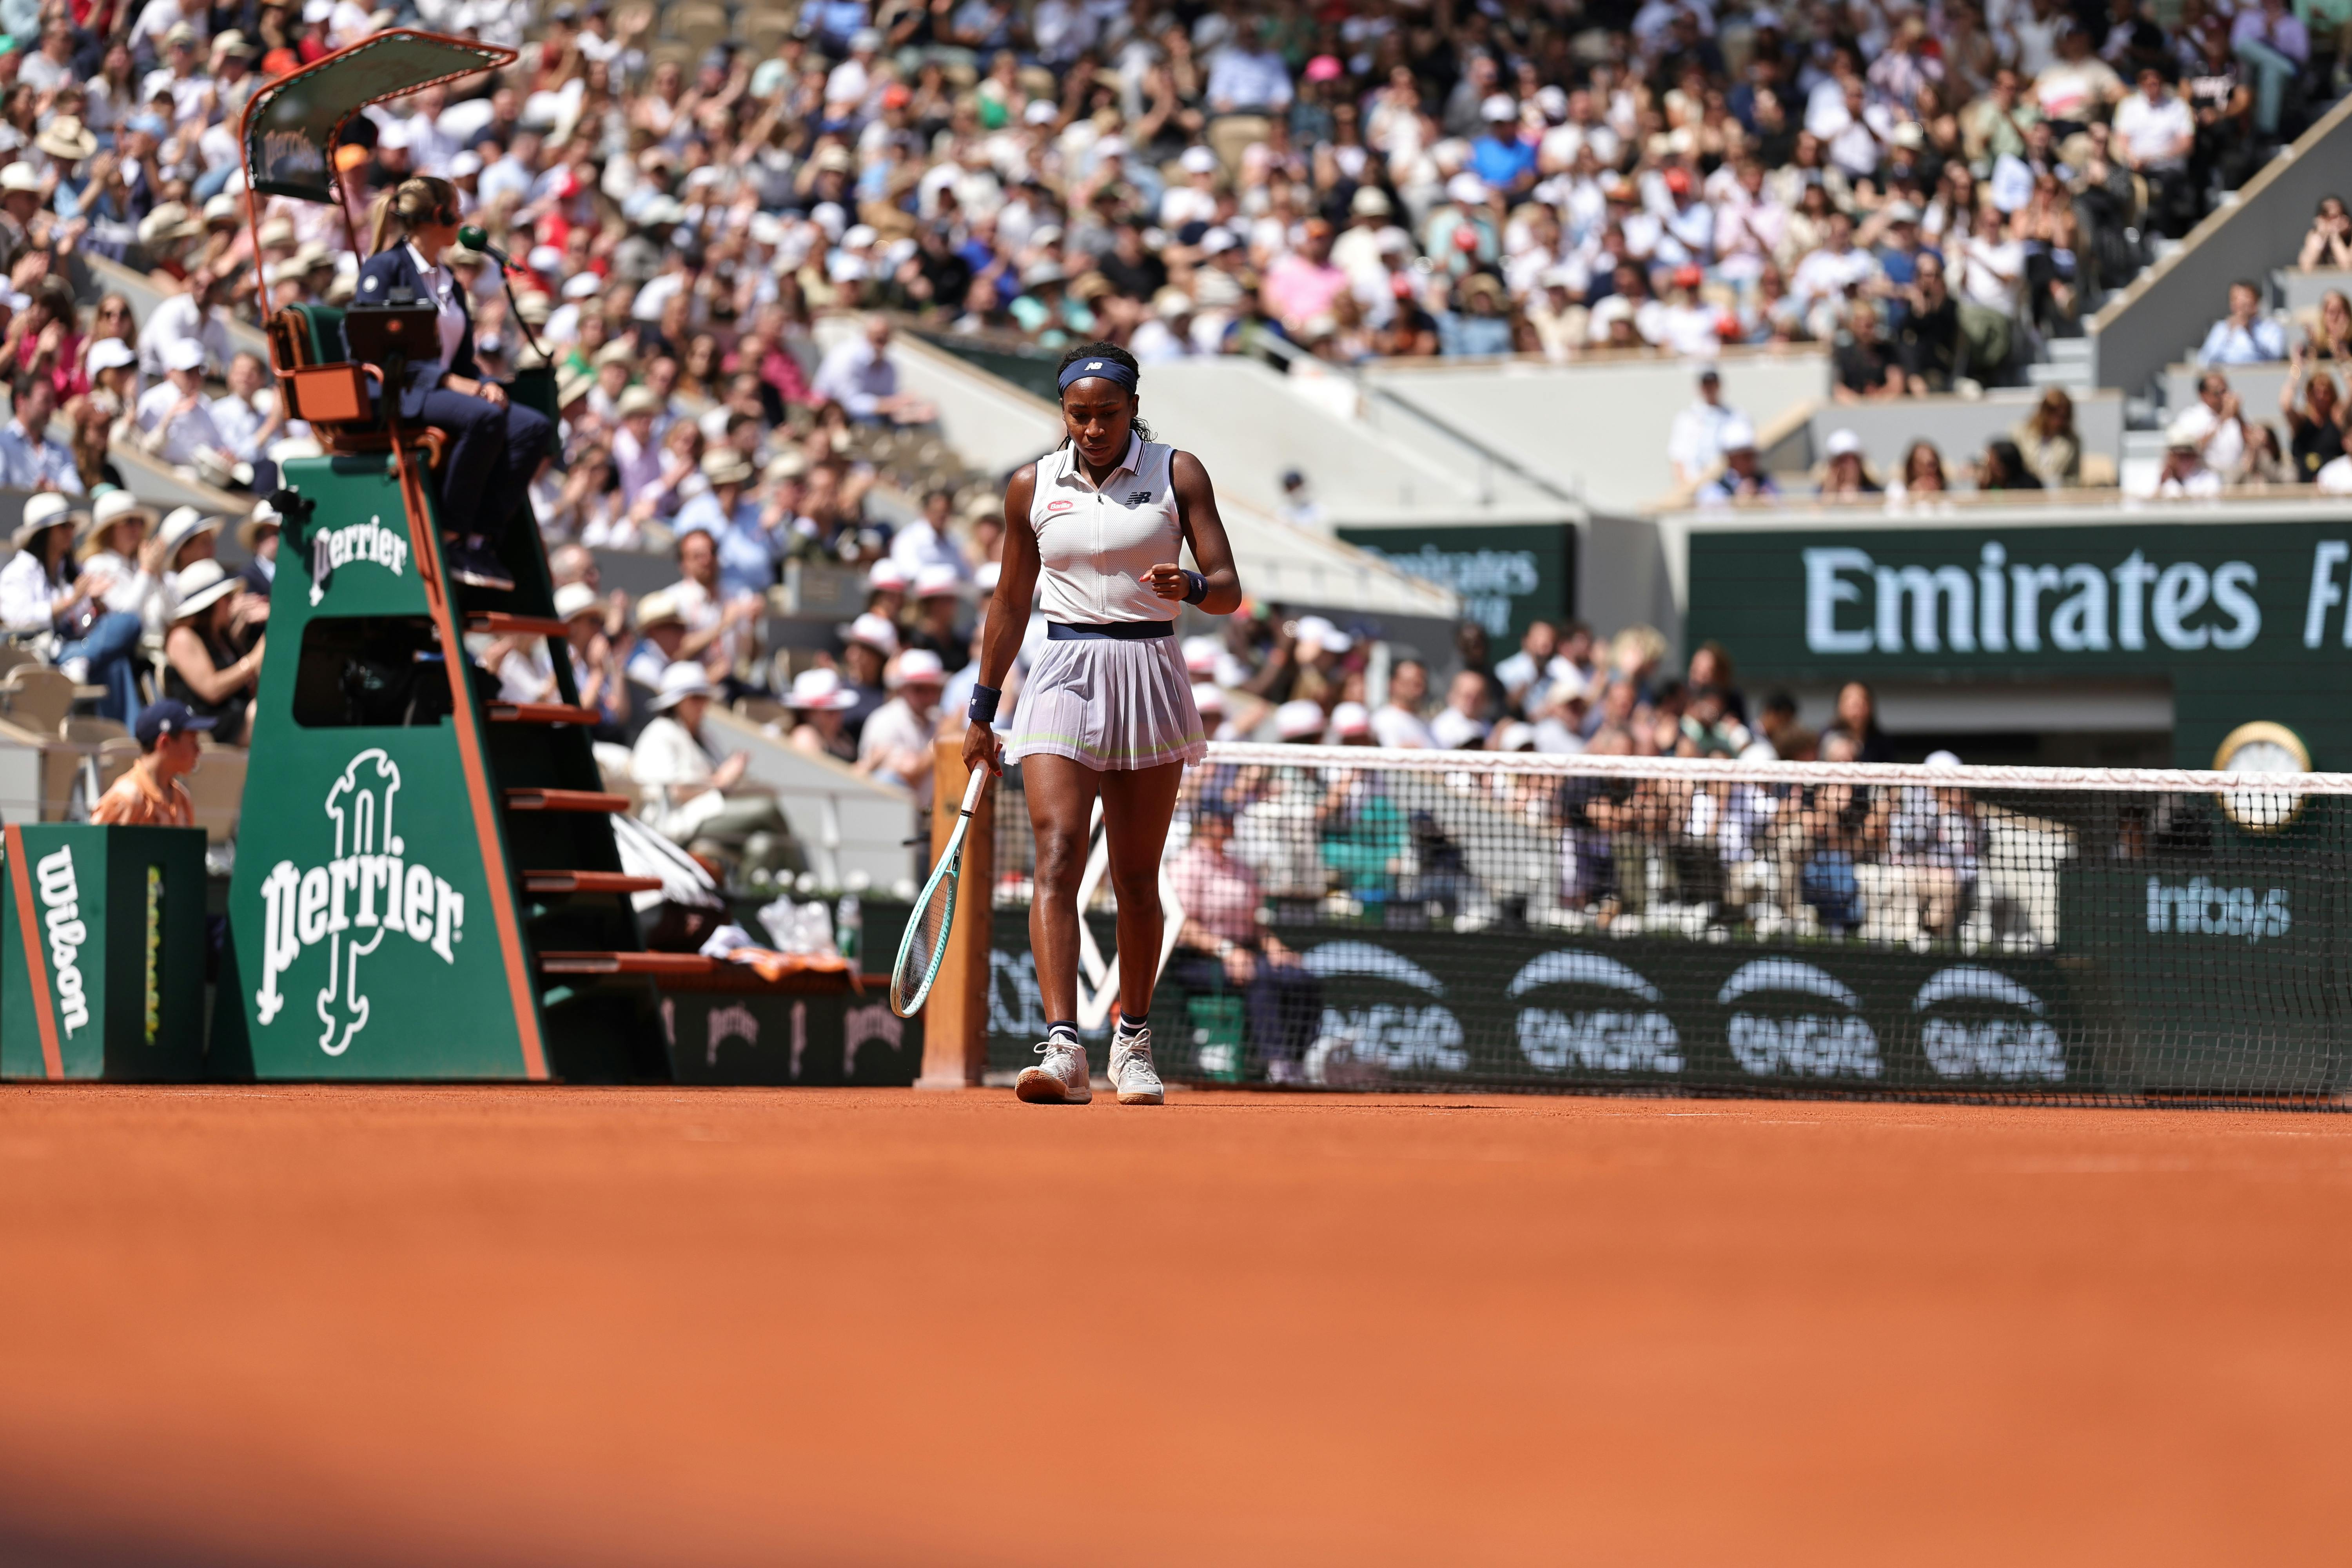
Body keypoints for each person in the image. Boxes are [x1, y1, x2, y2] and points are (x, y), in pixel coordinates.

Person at [962, 341, 1242, 1108]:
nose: (1092, 428)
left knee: (1135, 875)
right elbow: (1011, 602)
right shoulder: (1031, 485)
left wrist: (1185, 582)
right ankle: (1063, 1046)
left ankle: (1133, 1039)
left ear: (1132, 409)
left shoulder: (1177, 472)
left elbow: (1228, 589)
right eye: (1079, 414)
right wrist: (982, 711)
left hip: (1148, 670)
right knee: (1056, 852)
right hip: (1060, 674)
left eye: (1107, 415)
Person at [354, 175, 554, 591]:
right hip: (402, 393)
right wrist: (447, 380)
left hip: (443, 390)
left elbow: (462, 358)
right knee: (483, 418)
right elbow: (370, 347)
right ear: (437, 216)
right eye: (456, 211)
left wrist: (482, 380)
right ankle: (449, 536)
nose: (464, 220)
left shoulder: (447, 281)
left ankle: (480, 539)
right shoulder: (385, 268)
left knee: (532, 427)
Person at [1165, 799, 1323, 1082]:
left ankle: (1301, 1058)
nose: (1229, 826)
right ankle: (1278, 1063)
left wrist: (1276, 948)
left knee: (1301, 978)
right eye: (1222, 820)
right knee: (1260, 978)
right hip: (1197, 960)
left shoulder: (1241, 867)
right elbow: (1182, 926)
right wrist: (1227, 951)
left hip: (1245, 951)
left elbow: (1255, 925)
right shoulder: (1186, 865)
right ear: (1205, 825)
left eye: (1230, 820)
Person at [628, 662, 798, 878]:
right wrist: (720, 781)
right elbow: (676, 791)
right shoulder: (660, 733)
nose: (702, 705)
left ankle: (746, 906)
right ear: (677, 703)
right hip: (678, 823)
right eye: (695, 699)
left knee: (764, 843)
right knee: (767, 809)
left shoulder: (705, 736)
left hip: (706, 814)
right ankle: (807, 889)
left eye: (705, 698)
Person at [0, 493, 144, 722]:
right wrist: (71, 600)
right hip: (44, 652)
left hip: (76, 646)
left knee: (124, 635)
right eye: (63, 527)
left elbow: (83, 623)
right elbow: (18, 620)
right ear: (44, 533)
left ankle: (131, 742)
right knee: (119, 653)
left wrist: (95, 606)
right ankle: (79, 660)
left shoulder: (71, 569)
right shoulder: (17, 572)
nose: (71, 533)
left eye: (71, 526)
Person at [162, 559, 263, 744]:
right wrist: (253, 660)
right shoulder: (182, 637)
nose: (233, 603)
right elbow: (212, 689)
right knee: (263, 713)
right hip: (208, 724)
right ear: (211, 604)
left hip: (236, 714)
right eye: (227, 597)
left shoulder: (222, 636)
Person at [90, 697, 213, 826]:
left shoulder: (183, 799)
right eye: (193, 741)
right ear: (165, 742)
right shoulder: (125, 799)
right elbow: (92, 845)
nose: (199, 750)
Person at [2197, 279, 2287, 365]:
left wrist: (2250, 332)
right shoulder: (2221, 328)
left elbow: (2274, 360)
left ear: (2256, 301)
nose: (2240, 304)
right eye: (2235, 299)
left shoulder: (2271, 328)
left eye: (2246, 298)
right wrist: (2229, 334)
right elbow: (2204, 360)